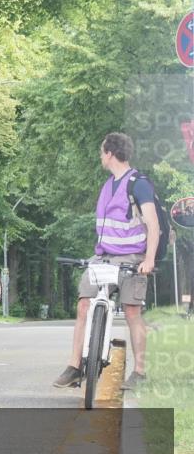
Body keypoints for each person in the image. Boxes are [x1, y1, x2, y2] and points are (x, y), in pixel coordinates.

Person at [53, 133, 159, 390]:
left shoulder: (139, 184)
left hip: (132, 257)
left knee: (132, 311)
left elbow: (153, 225)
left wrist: (149, 259)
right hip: (103, 257)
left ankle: (140, 374)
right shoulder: (107, 185)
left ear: (110, 153)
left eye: (102, 152)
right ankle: (75, 367)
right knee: (84, 305)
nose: (101, 156)